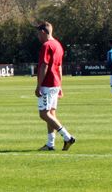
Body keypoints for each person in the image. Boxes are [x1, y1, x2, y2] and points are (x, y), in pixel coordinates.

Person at [35, 21, 76, 151]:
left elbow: (44, 66)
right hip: (55, 83)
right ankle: (50, 143)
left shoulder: (46, 46)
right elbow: (59, 67)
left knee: (44, 114)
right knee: (51, 114)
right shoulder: (58, 45)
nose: (37, 36)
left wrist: (38, 85)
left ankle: (67, 137)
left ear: (42, 32)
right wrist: (60, 85)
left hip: (47, 84)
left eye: (38, 33)